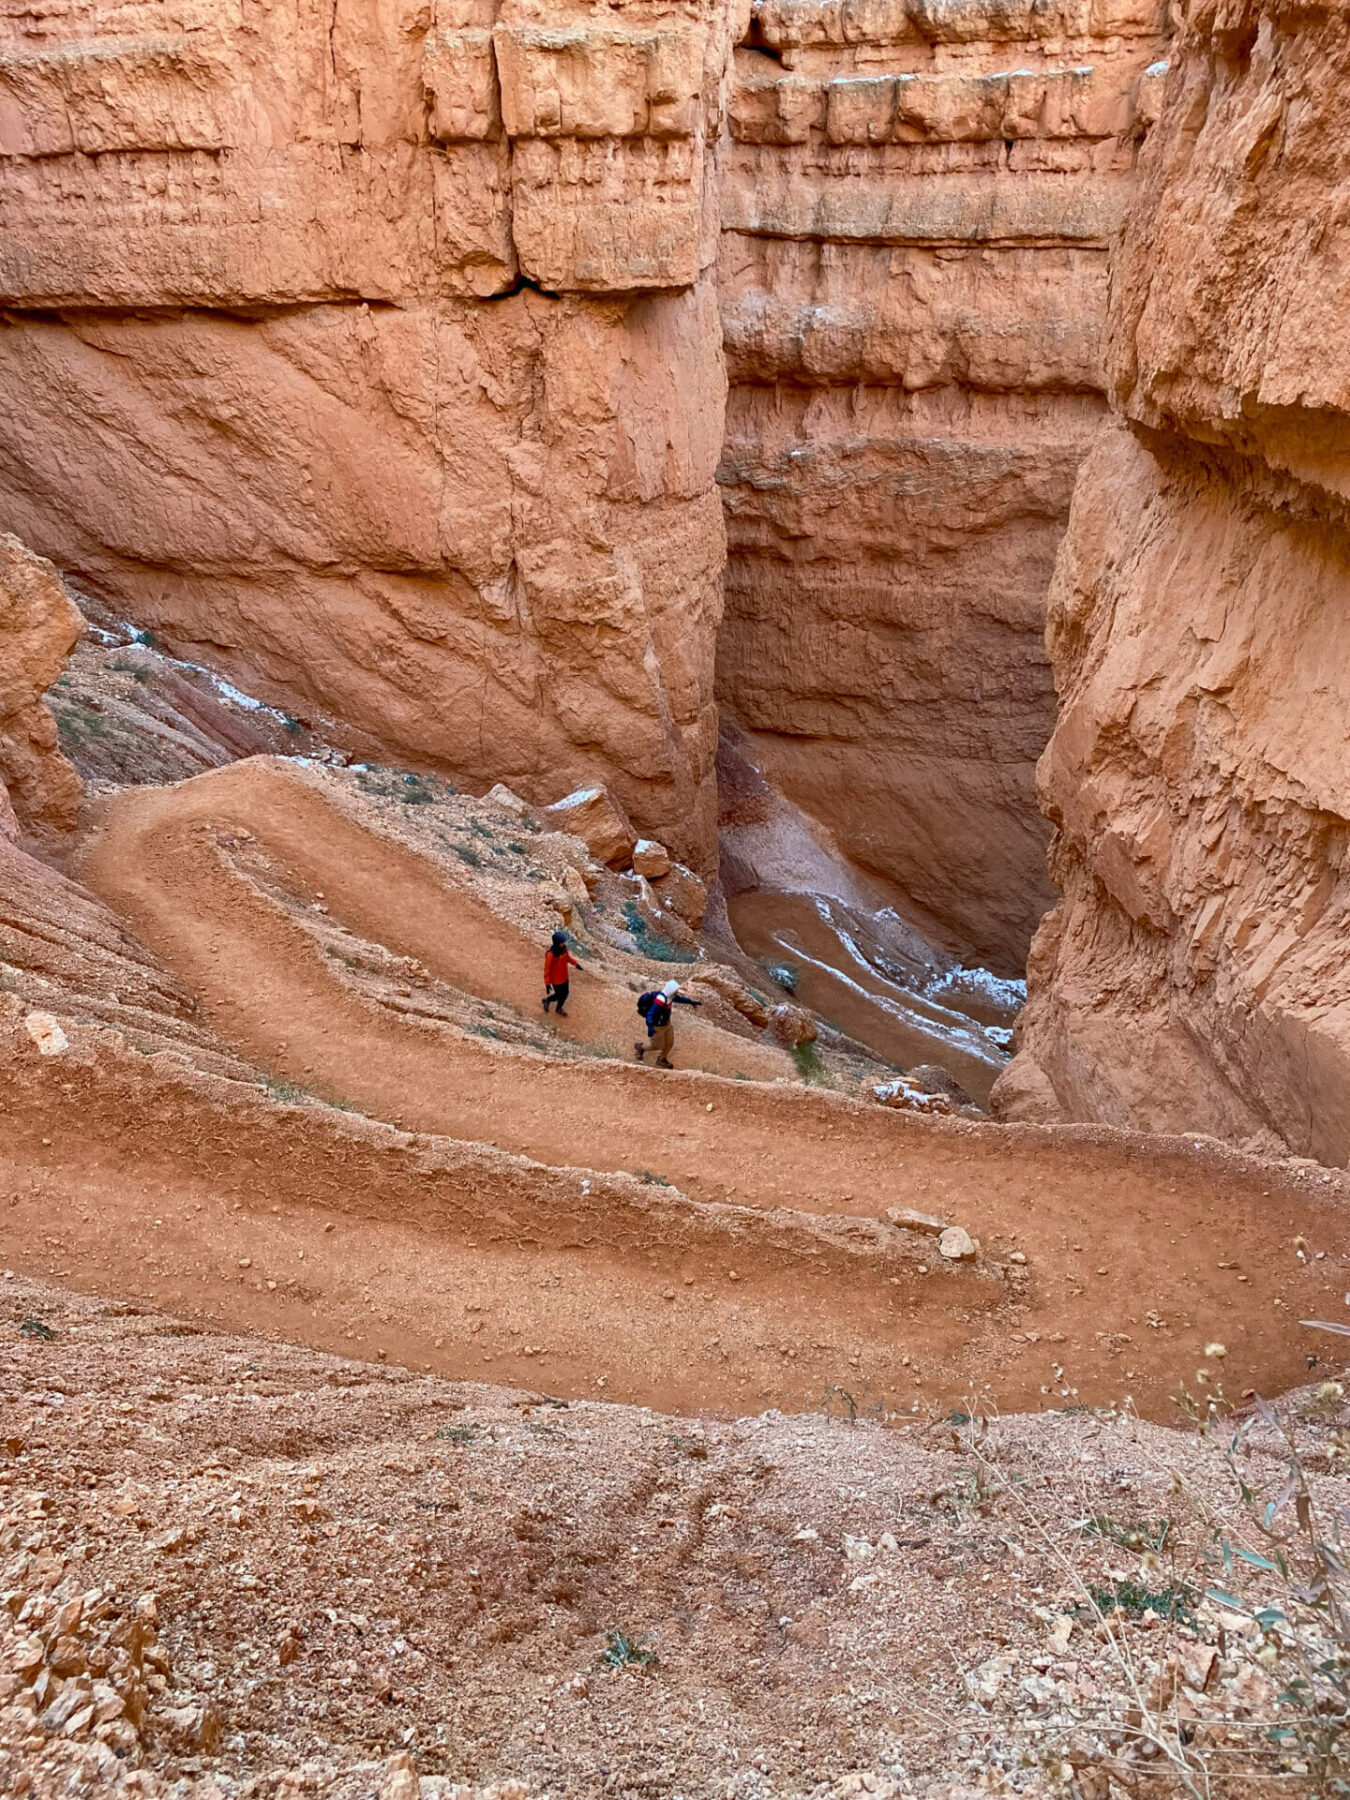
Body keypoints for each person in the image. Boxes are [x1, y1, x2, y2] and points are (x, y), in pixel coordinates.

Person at [635, 978, 701, 1069]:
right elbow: (650, 1014)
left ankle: (661, 1059)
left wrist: (690, 1002)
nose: (677, 992)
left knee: (669, 1043)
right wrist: (650, 1028)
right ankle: (640, 1047)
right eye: (676, 990)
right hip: (658, 1027)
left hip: (667, 1024)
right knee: (656, 1046)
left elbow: (680, 999)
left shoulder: (670, 997)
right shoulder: (660, 1000)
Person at [543, 931, 581, 1017]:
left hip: (564, 977)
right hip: (556, 980)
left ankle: (558, 1008)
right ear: (556, 942)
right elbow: (547, 969)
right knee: (559, 995)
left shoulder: (564, 949)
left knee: (565, 994)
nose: (563, 944)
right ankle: (547, 1000)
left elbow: (568, 958)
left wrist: (576, 964)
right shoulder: (550, 954)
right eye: (561, 942)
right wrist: (547, 983)